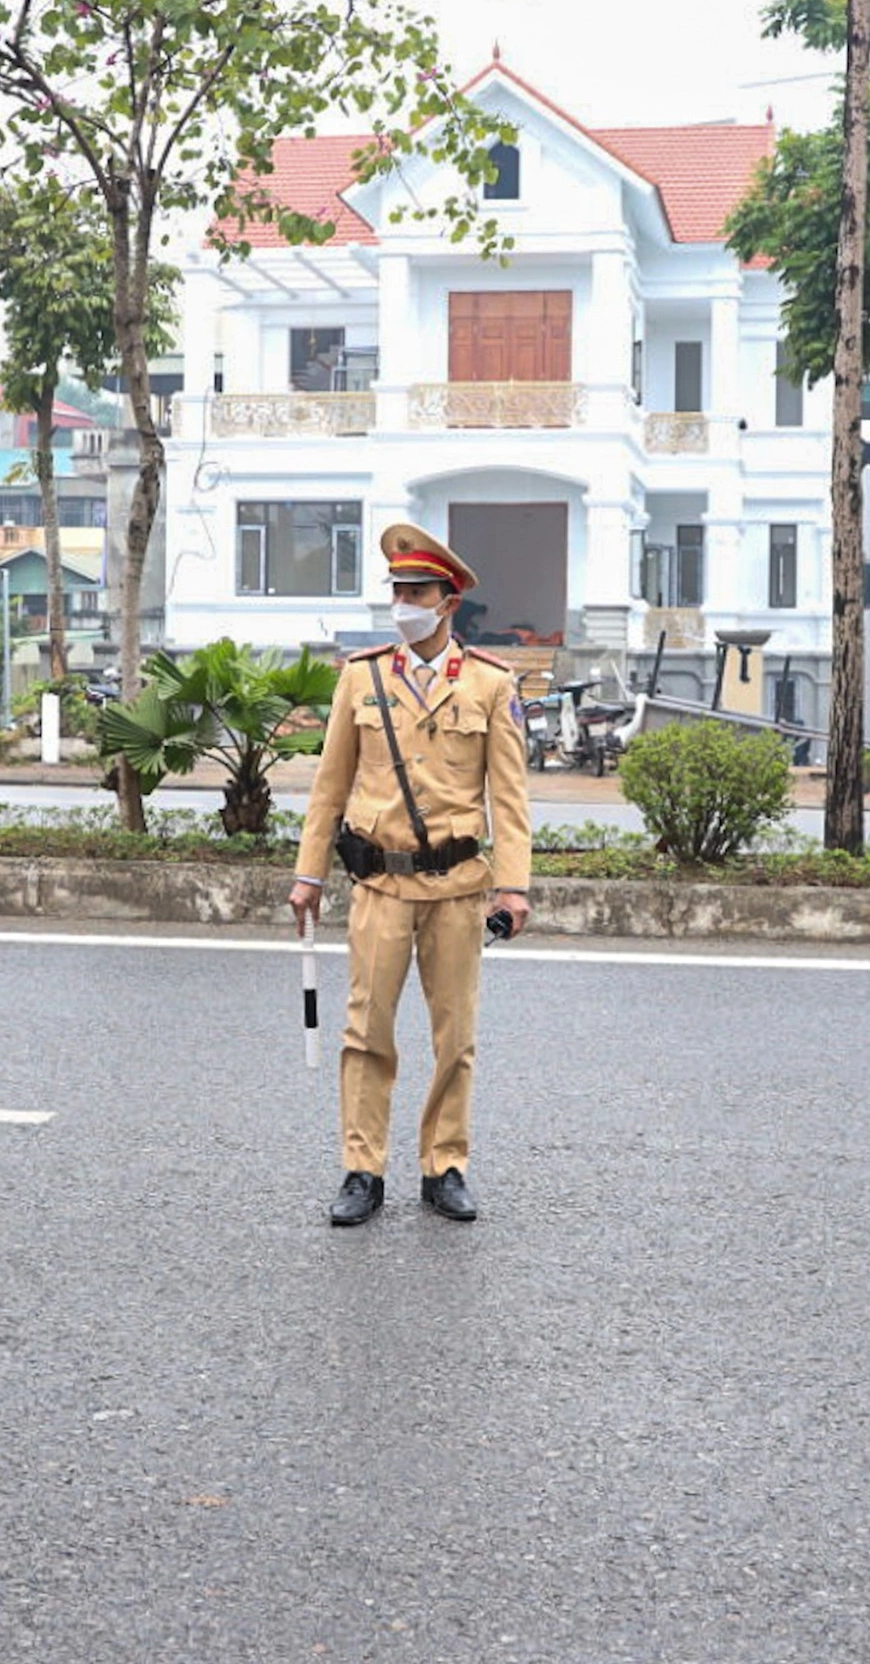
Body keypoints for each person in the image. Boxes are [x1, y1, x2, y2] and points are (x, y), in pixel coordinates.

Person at [288, 523, 533, 1227]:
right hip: (381, 886)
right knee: (366, 1032)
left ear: (448, 601)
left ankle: (444, 1164)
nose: (404, 604)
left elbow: (509, 799)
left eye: (417, 592)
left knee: (454, 1036)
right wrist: (309, 875)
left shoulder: (491, 684)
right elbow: (329, 789)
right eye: (397, 591)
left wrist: (513, 887)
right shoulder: (360, 678)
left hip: (458, 891)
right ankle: (363, 1169)